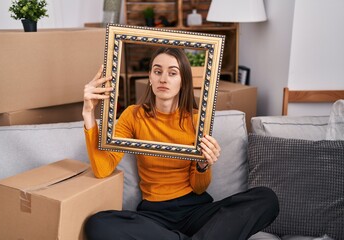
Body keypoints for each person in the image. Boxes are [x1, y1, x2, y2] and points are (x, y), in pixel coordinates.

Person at [82, 47, 279, 240]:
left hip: (196, 210)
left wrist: (203, 165)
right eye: (157, 71)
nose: (163, 79)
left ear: (183, 80)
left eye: (172, 73)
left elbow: (199, 188)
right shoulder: (133, 116)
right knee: (97, 223)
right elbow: (102, 169)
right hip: (154, 215)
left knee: (267, 199)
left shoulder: (197, 120)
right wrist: (88, 114)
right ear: (150, 77)